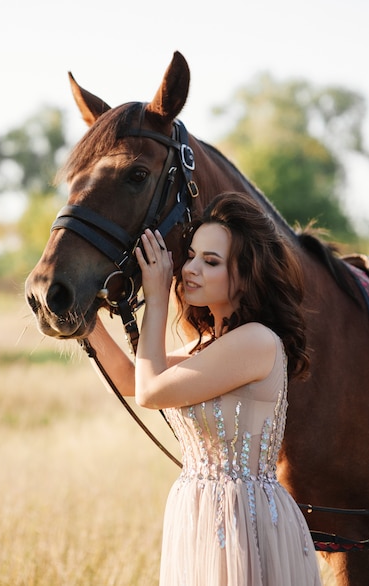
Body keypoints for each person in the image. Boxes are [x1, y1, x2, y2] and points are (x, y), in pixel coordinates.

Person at [87, 192, 322, 586]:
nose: (191, 268)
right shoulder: (210, 345)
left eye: (210, 262)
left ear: (245, 275)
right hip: (200, 513)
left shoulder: (257, 341)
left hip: (243, 521)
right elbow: (132, 379)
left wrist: (157, 297)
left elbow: (151, 390)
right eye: (192, 255)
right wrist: (81, 318)